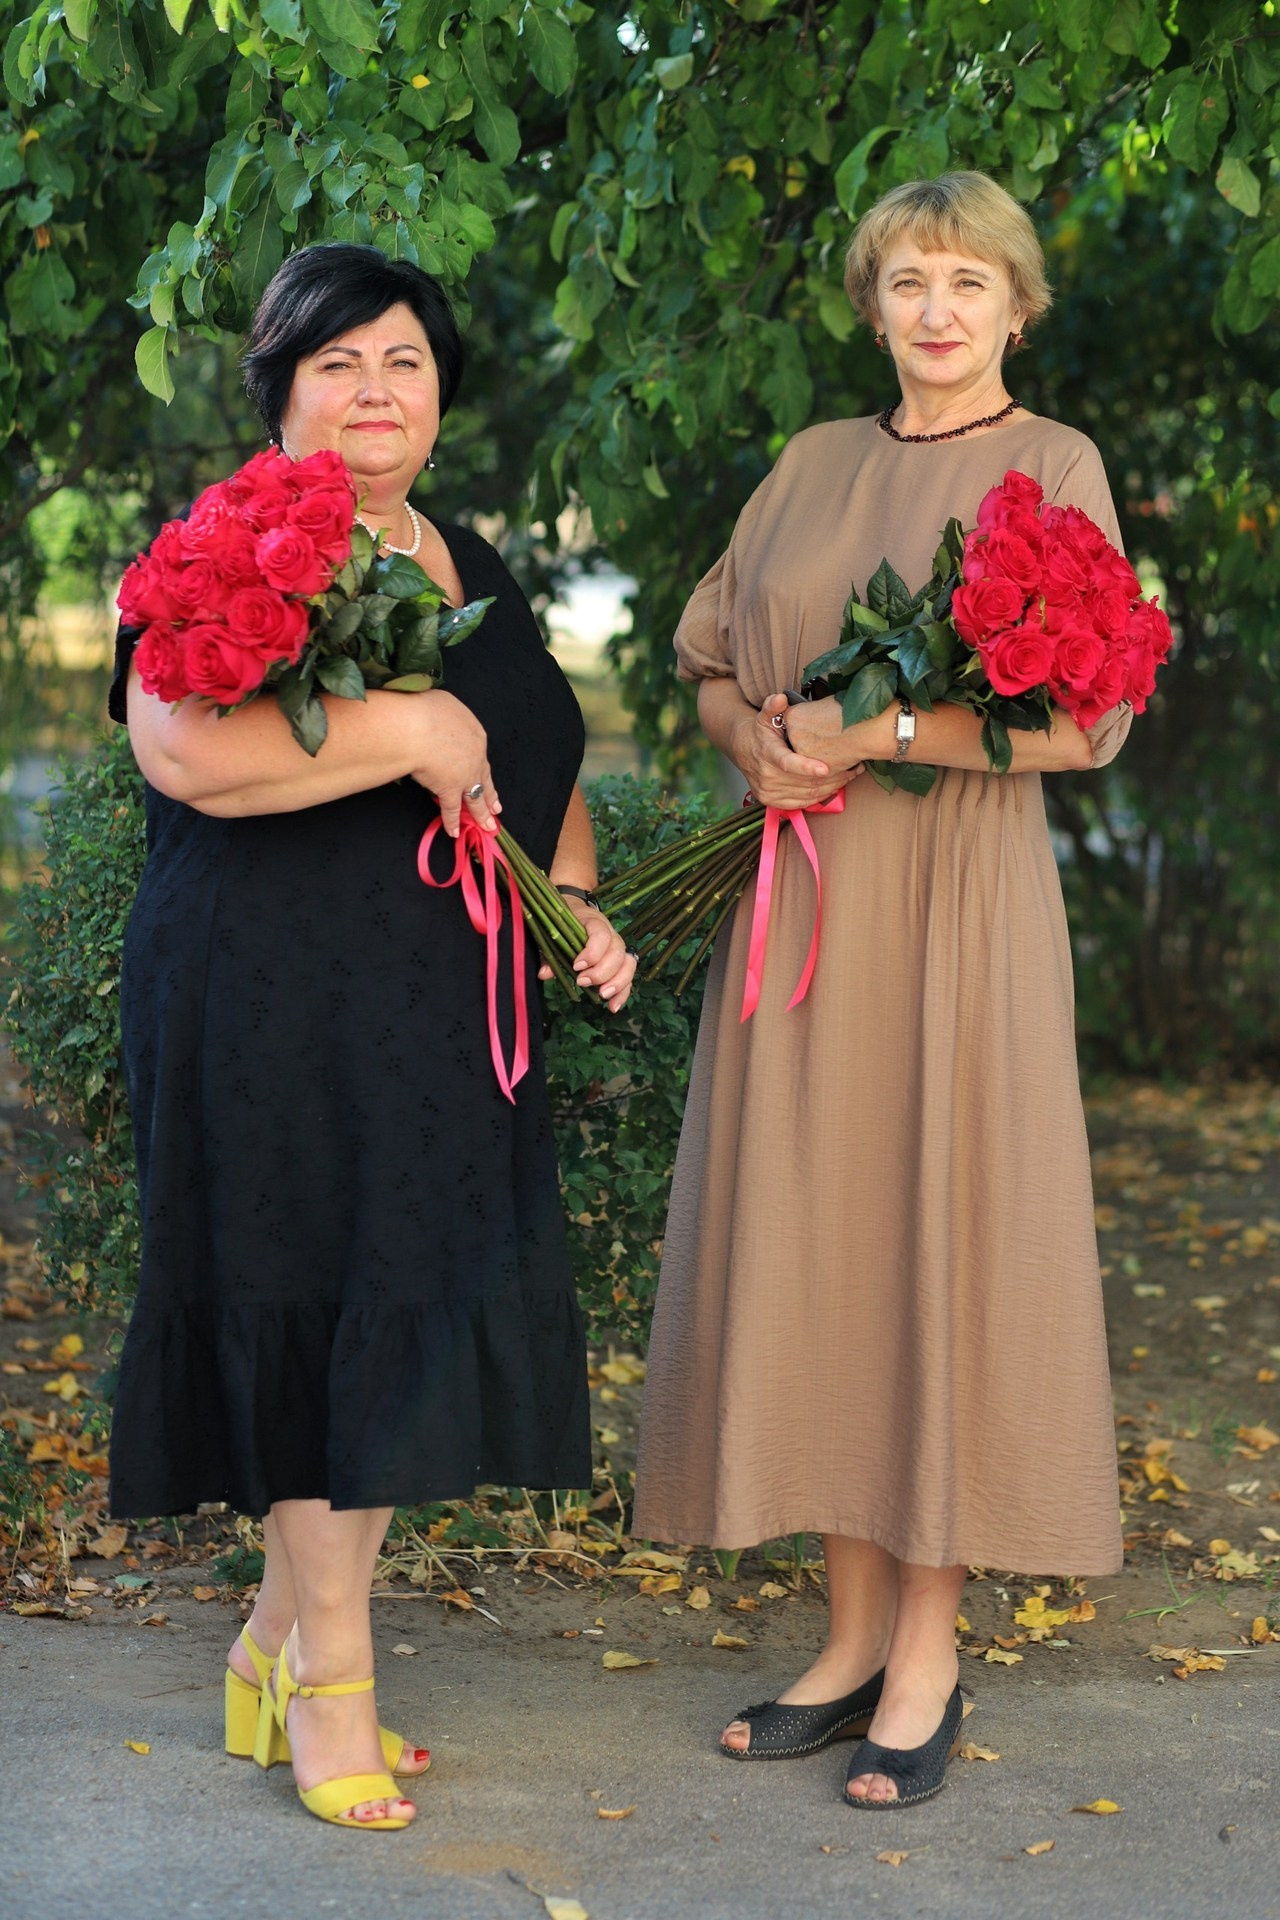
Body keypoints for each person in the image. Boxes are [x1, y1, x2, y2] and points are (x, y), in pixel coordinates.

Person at [107, 243, 636, 1831]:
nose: (373, 389)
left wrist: (574, 910)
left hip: (437, 1014)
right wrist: (404, 729)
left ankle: (275, 1637)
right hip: (263, 1000)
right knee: (308, 1303)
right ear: (278, 384)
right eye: (337, 362)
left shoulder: (465, 558)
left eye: (402, 359)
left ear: (440, 389)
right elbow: (183, 755)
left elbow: (535, 767)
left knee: (387, 1324)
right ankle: (332, 1672)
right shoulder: (220, 542)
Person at [633, 172, 1131, 1809]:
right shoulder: (810, 465)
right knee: (834, 1254)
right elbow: (712, 659)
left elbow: (1087, 722)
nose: (935, 310)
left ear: (1017, 307)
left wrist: (880, 733)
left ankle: (930, 1657)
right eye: (908, 279)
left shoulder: (1055, 467)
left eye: (967, 282)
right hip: (807, 906)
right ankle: (846, 1648)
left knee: (942, 1249)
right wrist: (760, 747)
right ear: (872, 302)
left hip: (957, 920)